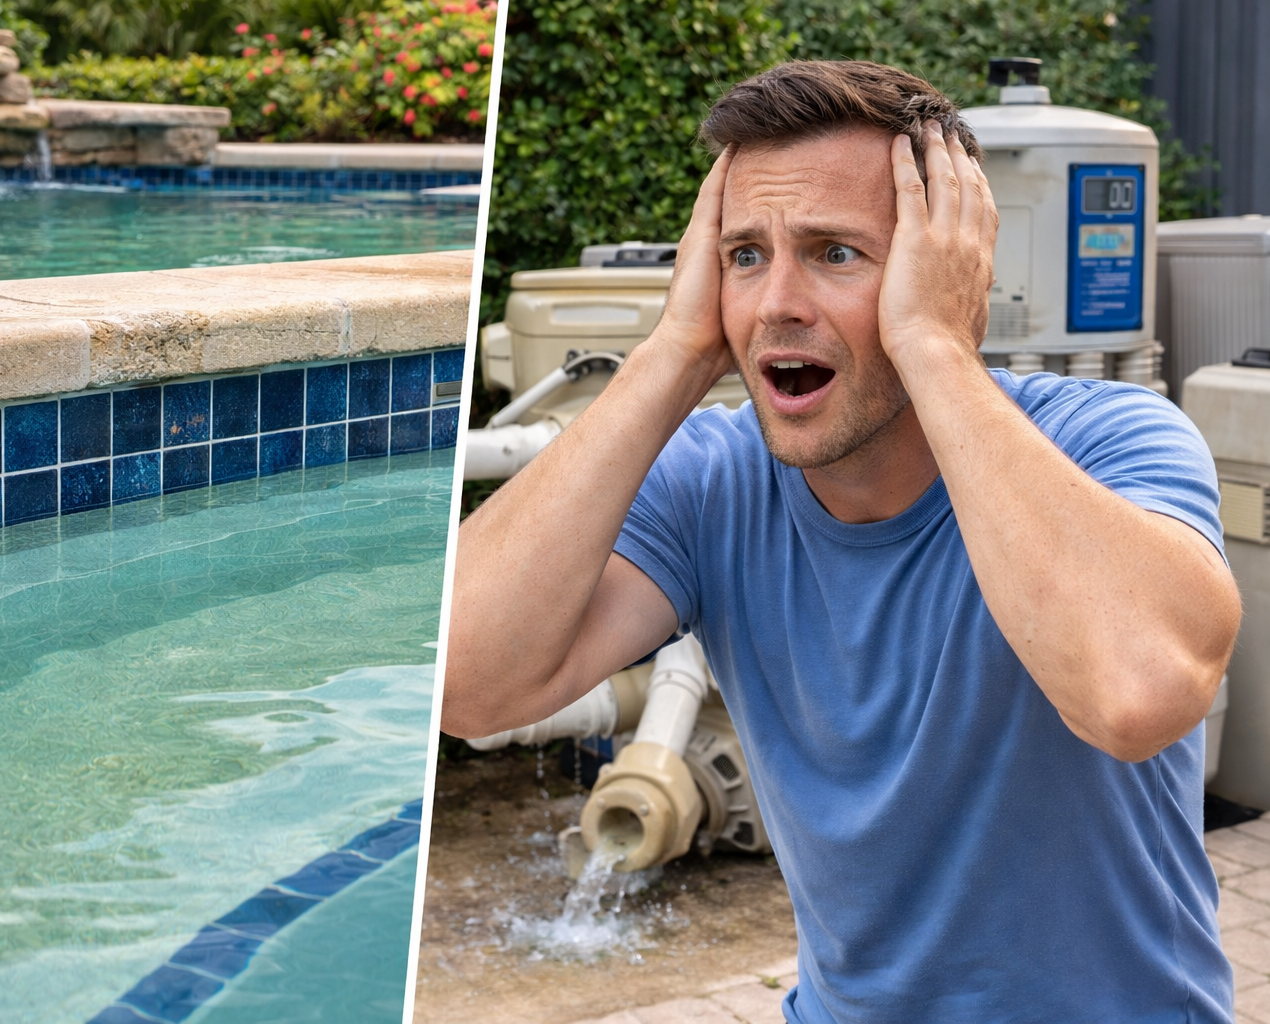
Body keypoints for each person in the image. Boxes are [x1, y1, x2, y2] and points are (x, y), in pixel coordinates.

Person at [443, 60, 1241, 1022]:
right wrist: (674, 352)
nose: (777, 302)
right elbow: (464, 683)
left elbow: (1139, 696)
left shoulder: (1112, 440)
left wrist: (936, 346)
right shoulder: (714, 481)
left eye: (834, 252)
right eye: (746, 255)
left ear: (946, 268)